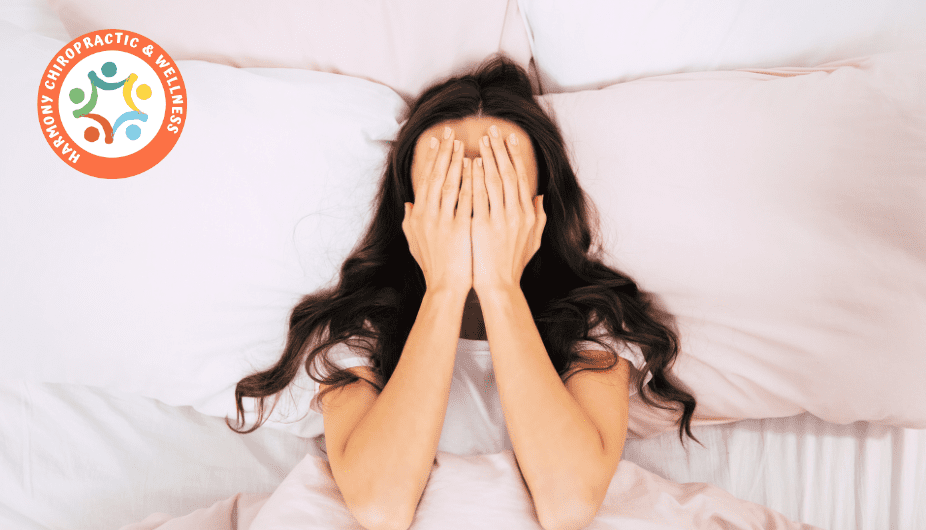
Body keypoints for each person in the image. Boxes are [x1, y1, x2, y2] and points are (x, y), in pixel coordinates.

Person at [229, 55, 701, 530]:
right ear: (410, 202)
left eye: (499, 181)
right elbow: (380, 508)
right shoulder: (362, 325)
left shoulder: (593, 320)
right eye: (448, 182)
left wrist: (500, 287)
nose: (474, 200)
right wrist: (445, 288)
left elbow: (570, 504)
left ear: (540, 201)